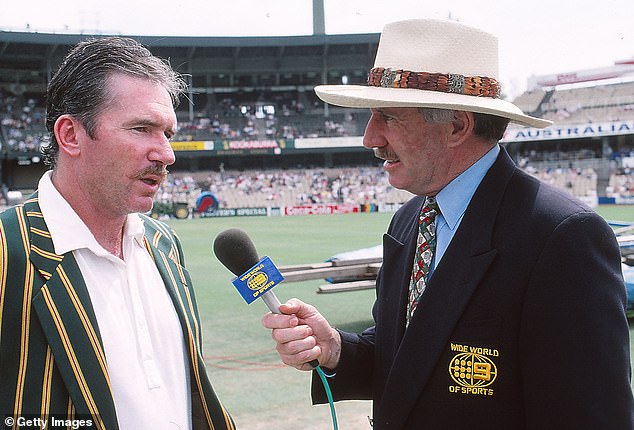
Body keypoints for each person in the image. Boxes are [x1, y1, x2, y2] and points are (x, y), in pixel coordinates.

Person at [262, 19, 634, 429]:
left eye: (387, 117)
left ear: (457, 126)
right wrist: (336, 349)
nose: (370, 137)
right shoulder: (409, 221)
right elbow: (409, 360)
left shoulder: (561, 236)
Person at [0, 37, 235, 430]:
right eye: (142, 128)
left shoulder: (164, 245)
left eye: (168, 134)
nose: (166, 154)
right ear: (70, 135)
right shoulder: (8, 250)